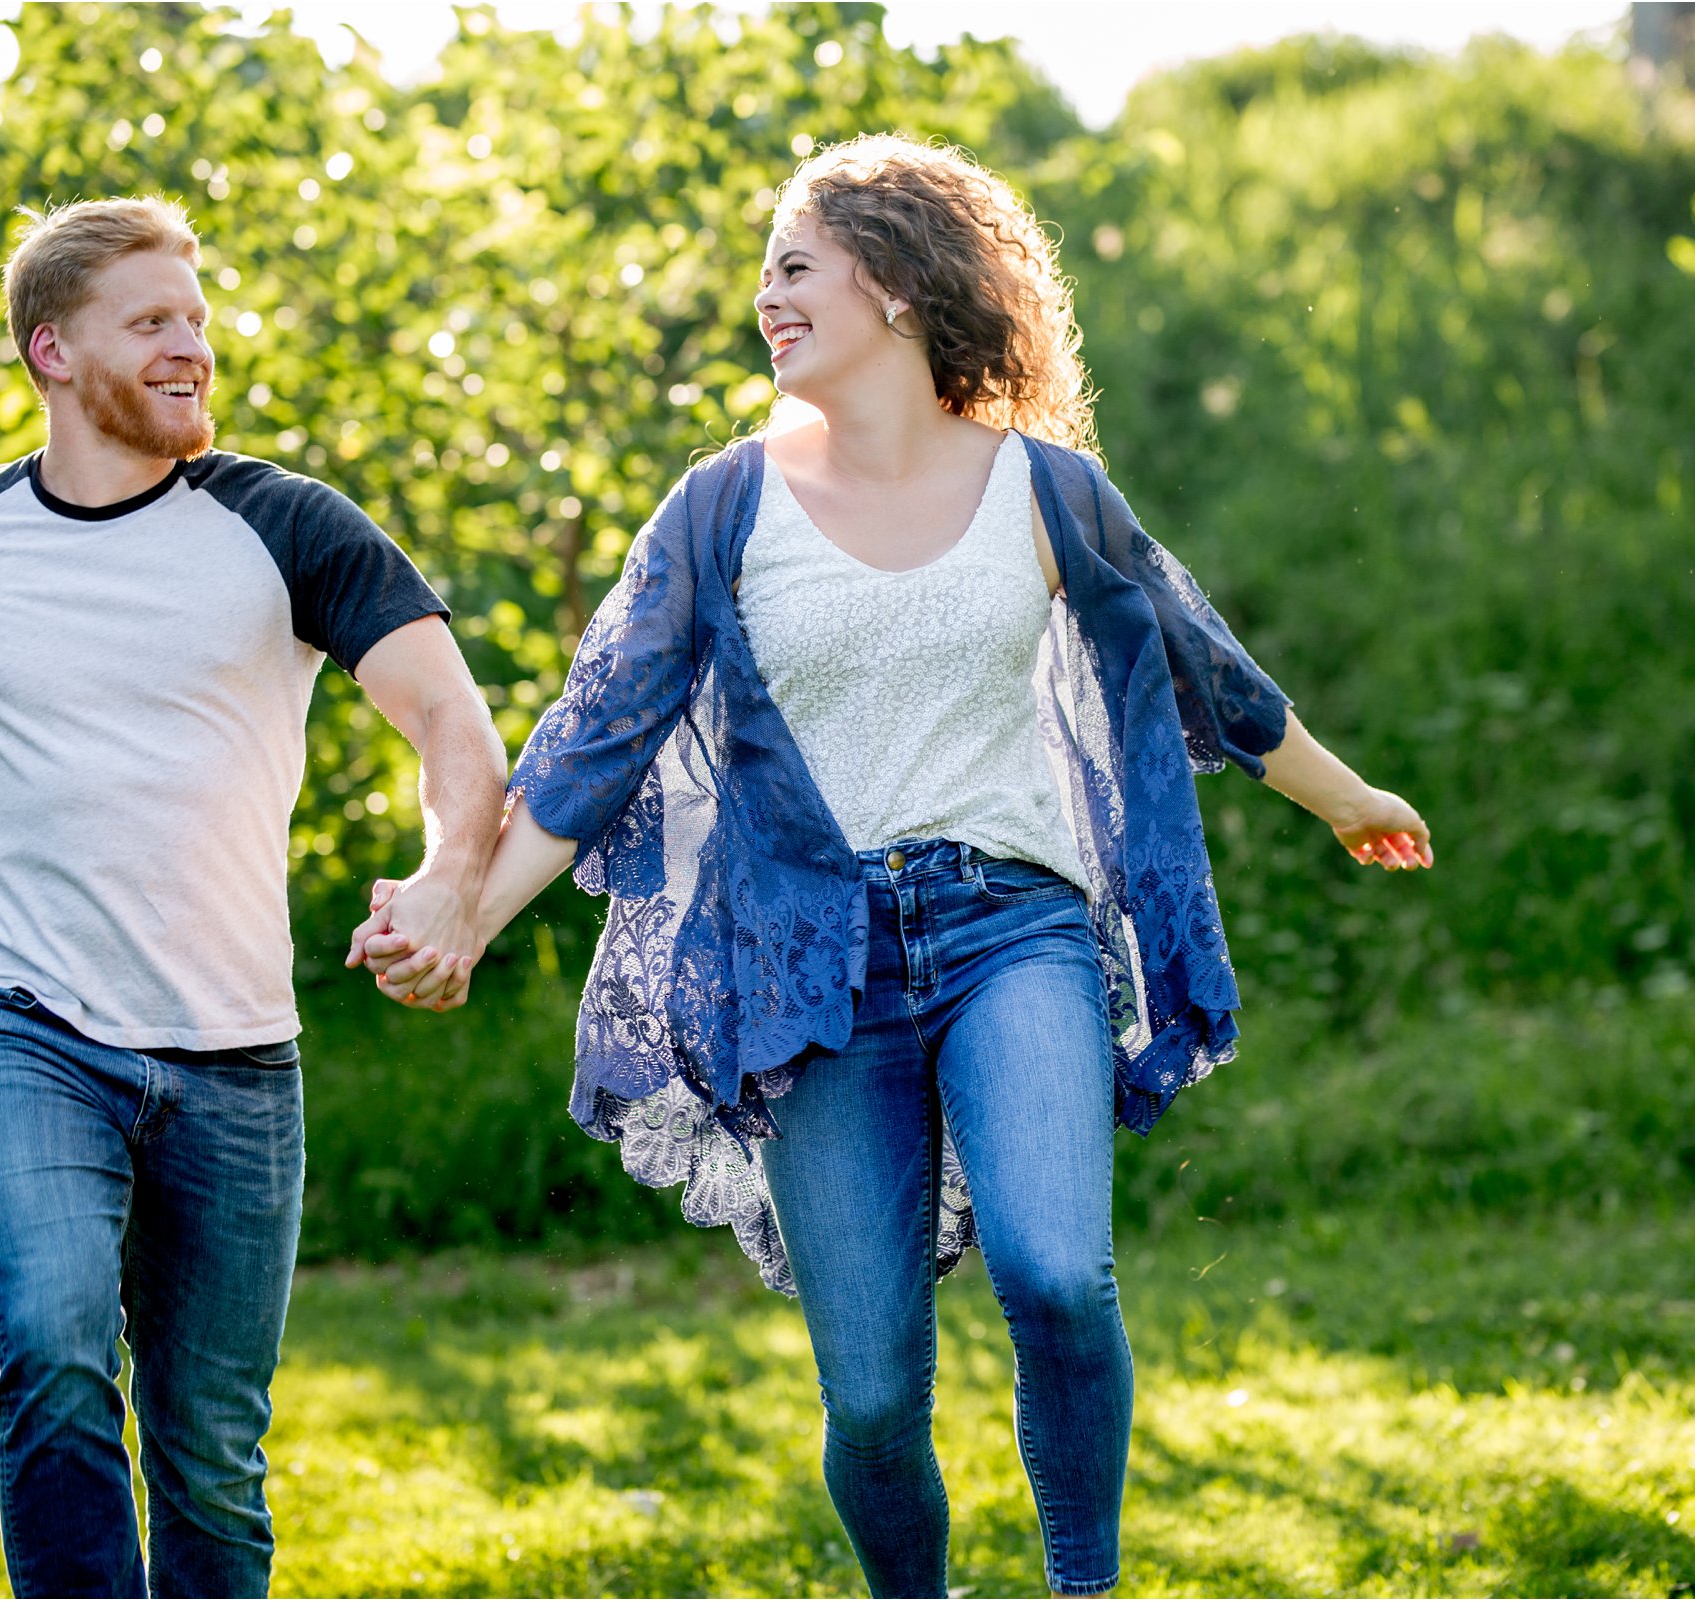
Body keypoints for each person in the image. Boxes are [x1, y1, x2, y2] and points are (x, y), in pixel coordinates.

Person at [354, 134, 1432, 1599]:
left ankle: (1085, 1585)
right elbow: (592, 745)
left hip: (1012, 928)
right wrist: (461, 911)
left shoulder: (1043, 493)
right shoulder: (719, 507)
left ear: (904, 286)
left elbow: (1202, 665)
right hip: (809, 966)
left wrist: (1345, 792)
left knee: (1058, 1274)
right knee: (869, 1394)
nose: (768, 298)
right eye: (765, 275)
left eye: (795, 265)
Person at [0, 195, 504, 1598]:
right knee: (58, 1354)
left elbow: (448, 719)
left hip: (238, 1055)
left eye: (196, 318)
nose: (192, 346)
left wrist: (448, 875)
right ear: (51, 351)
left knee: (210, 1466)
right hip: (22, 1023)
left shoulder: (288, 527)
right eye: (153, 322)